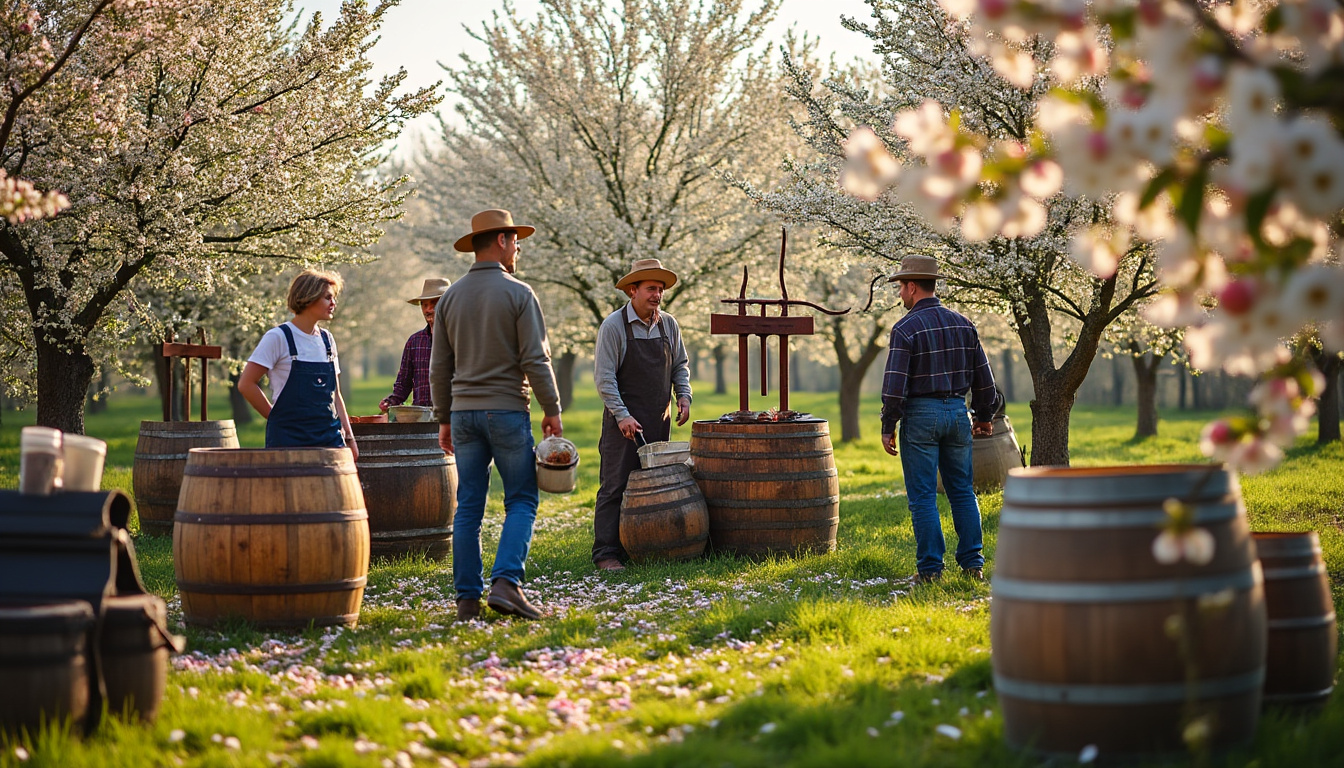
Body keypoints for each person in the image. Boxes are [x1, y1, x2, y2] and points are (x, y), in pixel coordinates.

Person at [431, 209, 563, 622]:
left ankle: (467, 601)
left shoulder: (450, 297)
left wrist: (444, 417)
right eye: (516, 241)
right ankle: (506, 583)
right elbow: (535, 359)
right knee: (522, 498)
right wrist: (552, 408)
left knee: (468, 504)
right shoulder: (519, 292)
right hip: (506, 410)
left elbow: (440, 366)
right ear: (501, 241)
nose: (519, 248)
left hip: (464, 414)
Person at [879, 254, 1000, 584]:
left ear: (913, 287)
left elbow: (894, 386)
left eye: (901, 287)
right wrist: (985, 415)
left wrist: (888, 425)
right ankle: (973, 565)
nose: (900, 294)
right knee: (962, 491)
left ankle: (931, 570)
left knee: (922, 497)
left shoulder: (904, 329)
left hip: (920, 416)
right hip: (959, 414)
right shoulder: (964, 324)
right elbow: (984, 380)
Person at [592, 258, 692, 572]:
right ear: (632, 291)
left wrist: (684, 396)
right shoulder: (613, 326)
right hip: (622, 424)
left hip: (659, 421)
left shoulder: (669, 324)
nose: (657, 295)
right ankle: (607, 553)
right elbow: (604, 378)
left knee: (655, 485)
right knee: (615, 486)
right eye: (651, 289)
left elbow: (680, 365)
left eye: (660, 289)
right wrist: (621, 416)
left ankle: (646, 546)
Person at [238, 269, 359, 460]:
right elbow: (246, 384)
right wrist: (275, 419)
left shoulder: (327, 340)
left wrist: (350, 438)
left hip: (329, 440)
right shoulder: (277, 337)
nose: (333, 303)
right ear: (309, 297)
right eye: (328, 297)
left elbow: (336, 394)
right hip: (288, 442)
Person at [379, 277, 451, 413]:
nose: (428, 310)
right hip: (421, 419)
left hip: (455, 418)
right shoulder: (414, 342)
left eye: (434, 304)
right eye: (424, 305)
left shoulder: (462, 339)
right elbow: (403, 384)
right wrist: (391, 401)